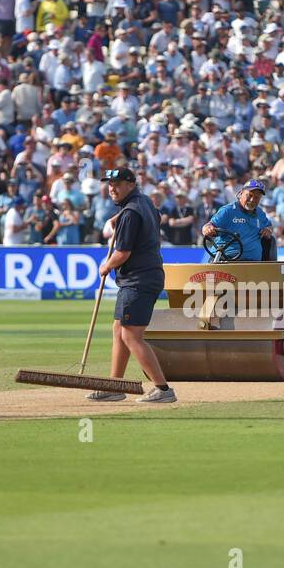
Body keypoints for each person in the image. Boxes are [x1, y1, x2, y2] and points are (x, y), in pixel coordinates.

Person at [90, 168, 175, 404]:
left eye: (117, 183)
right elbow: (153, 219)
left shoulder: (130, 212)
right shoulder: (144, 202)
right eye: (109, 184)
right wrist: (120, 218)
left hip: (139, 278)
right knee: (119, 329)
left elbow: (123, 252)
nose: (112, 188)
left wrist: (106, 266)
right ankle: (114, 386)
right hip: (145, 275)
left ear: (130, 184)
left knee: (130, 334)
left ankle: (163, 388)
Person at [201, 178, 275, 262]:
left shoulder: (260, 213)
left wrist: (268, 230)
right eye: (249, 195)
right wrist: (207, 229)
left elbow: (269, 226)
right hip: (226, 261)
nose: (252, 200)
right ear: (241, 193)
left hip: (253, 264)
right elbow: (208, 226)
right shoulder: (228, 211)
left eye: (257, 197)